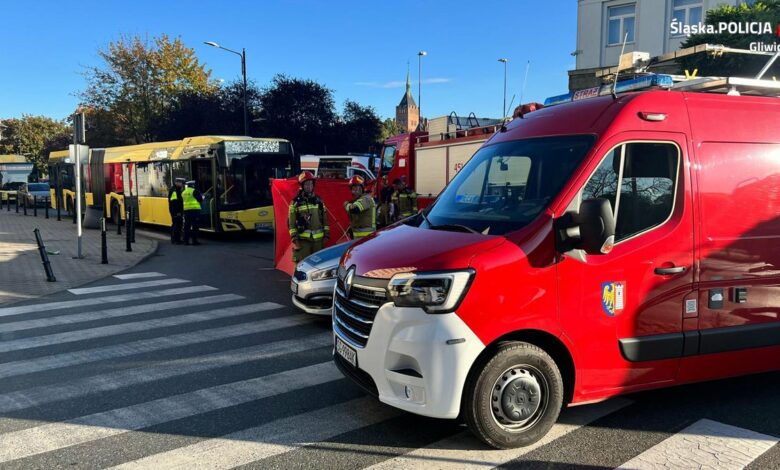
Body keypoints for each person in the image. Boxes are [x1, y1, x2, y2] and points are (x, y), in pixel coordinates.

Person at [288, 171, 329, 262]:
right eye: (306, 184)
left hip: (318, 241)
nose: (309, 186)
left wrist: (326, 235)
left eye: (311, 184)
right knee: (303, 265)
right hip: (303, 242)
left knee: (319, 267)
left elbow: (325, 219)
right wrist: (295, 239)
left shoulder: (319, 201)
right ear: (302, 186)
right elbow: (291, 223)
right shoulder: (295, 203)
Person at [344, 175, 376, 239]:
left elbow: (355, 209)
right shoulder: (357, 201)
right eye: (353, 188)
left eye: (357, 188)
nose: (354, 191)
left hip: (366, 237)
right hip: (359, 237)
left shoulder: (366, 198)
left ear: (362, 188)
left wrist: (346, 205)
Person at [182, 180, 203, 245]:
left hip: (186, 211)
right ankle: (194, 241)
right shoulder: (194, 191)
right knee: (195, 227)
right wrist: (202, 197)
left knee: (187, 227)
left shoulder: (183, 192)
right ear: (193, 185)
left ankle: (186, 241)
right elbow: (200, 199)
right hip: (194, 211)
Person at [168, 178, 185, 244]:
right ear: (177, 182)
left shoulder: (176, 190)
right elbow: (174, 203)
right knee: (176, 225)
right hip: (176, 211)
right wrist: (177, 212)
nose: (182, 185)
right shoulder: (174, 191)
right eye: (181, 183)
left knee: (177, 225)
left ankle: (176, 239)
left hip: (176, 211)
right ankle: (175, 240)